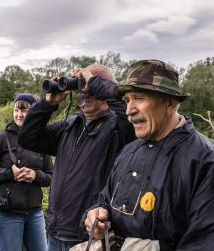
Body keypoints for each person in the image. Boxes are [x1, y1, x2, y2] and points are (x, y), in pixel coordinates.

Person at [83, 59, 214, 251]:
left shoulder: (207, 162)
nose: (129, 110)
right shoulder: (129, 152)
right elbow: (104, 202)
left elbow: (211, 244)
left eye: (139, 98)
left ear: (170, 103)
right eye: (127, 100)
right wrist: (96, 216)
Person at [17, 65, 136, 251]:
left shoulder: (119, 127)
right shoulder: (71, 125)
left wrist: (96, 84)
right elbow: (27, 138)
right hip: (56, 232)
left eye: (90, 89)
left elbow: (127, 107)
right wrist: (47, 105)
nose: (85, 94)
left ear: (104, 88)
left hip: (88, 237)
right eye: (81, 89)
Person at [0, 93, 53, 251]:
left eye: (25, 110)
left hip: (35, 213)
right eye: (16, 110)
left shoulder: (42, 141)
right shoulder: (1, 139)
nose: (19, 114)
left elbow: (52, 176)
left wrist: (36, 175)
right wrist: (9, 173)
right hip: (7, 213)